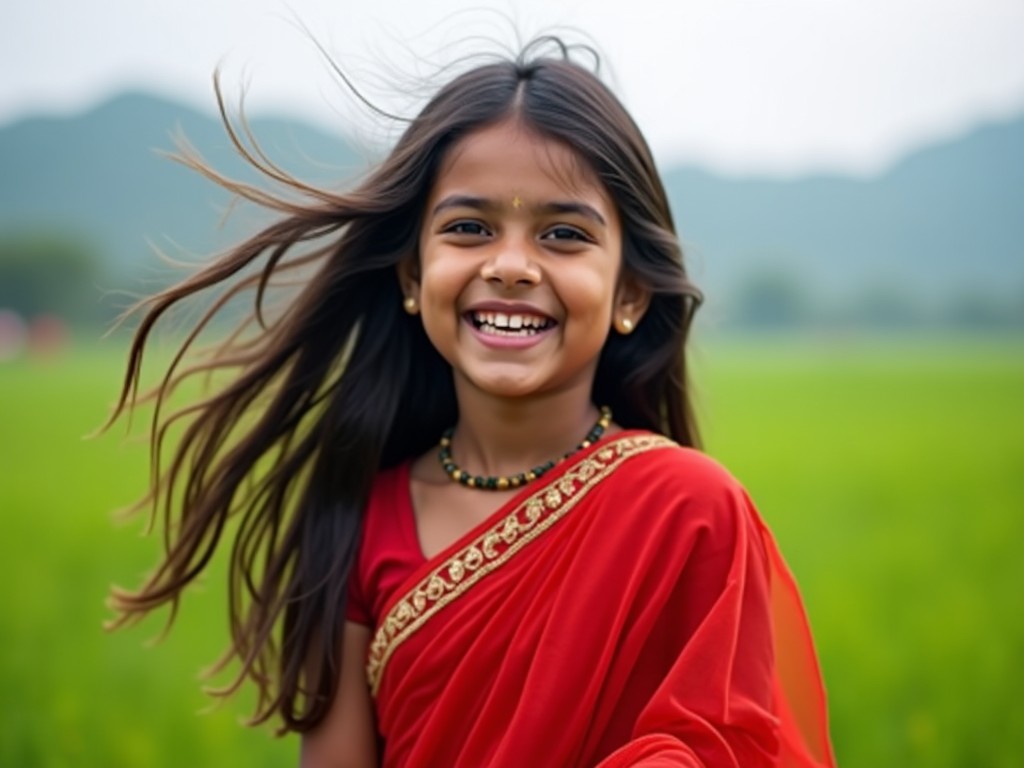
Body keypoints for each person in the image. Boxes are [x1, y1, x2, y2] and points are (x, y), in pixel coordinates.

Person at [106, 36, 836, 768]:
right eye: (469, 228)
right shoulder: (357, 519)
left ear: (630, 293)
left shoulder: (688, 510)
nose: (511, 266)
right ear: (412, 274)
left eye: (562, 235)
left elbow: (729, 745)